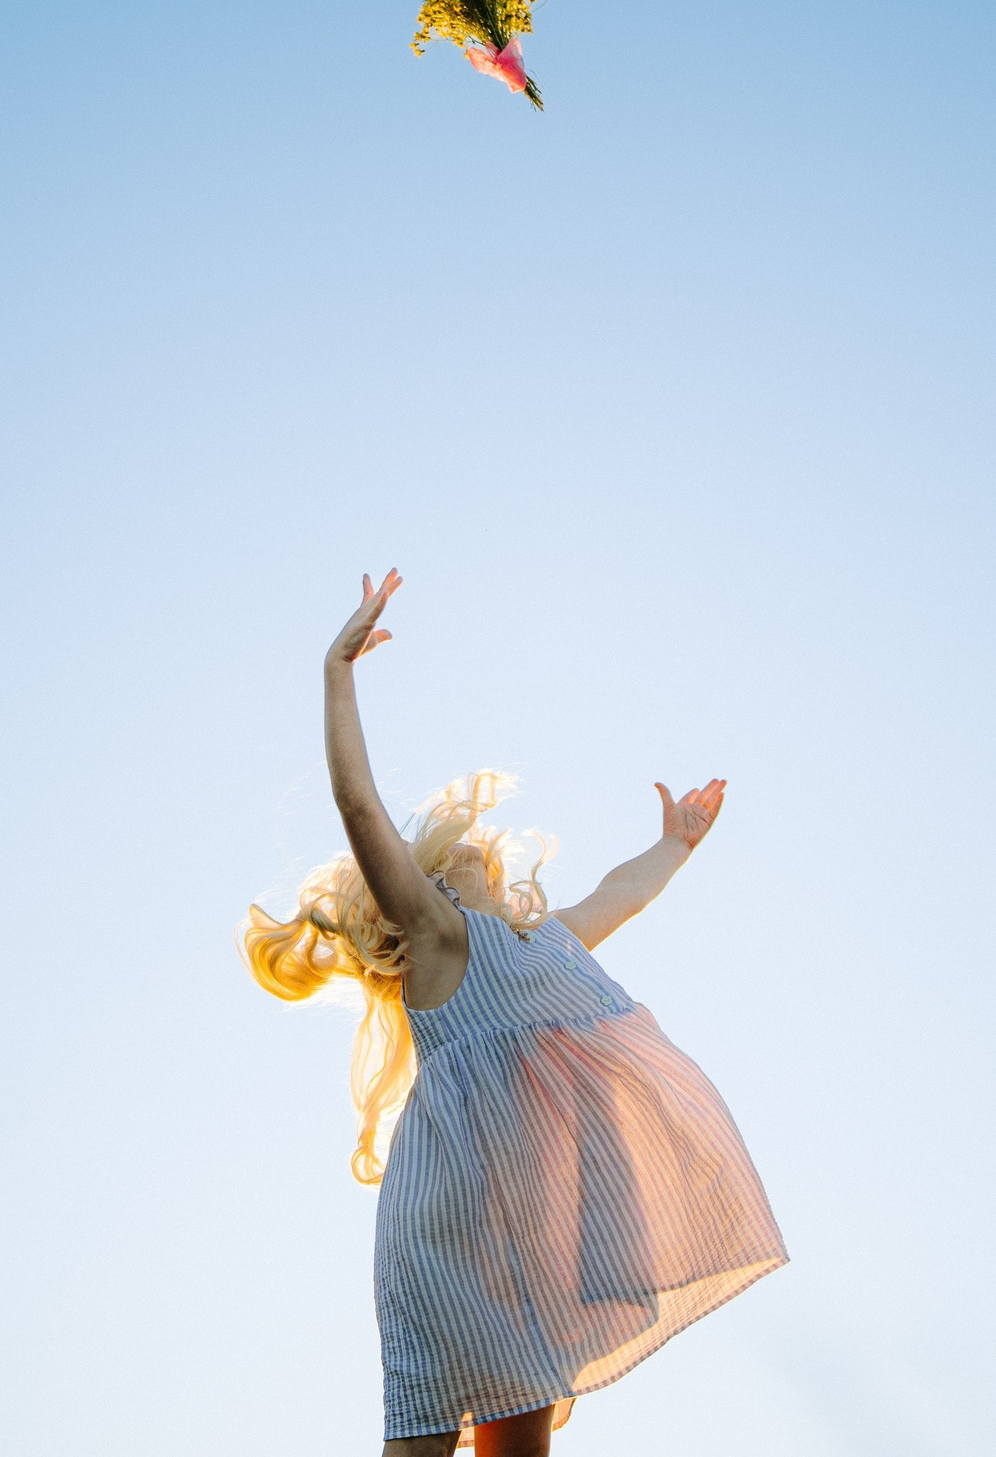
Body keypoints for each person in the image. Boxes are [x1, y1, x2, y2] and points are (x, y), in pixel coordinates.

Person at [242, 571, 789, 1455]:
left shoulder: (550, 948)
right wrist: (337, 673)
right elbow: (358, 805)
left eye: (471, 861)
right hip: (448, 1230)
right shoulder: (440, 942)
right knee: (423, 1434)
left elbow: (624, 893)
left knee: (520, 1436)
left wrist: (675, 842)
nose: (466, 865)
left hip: (532, 1233)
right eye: (441, 866)